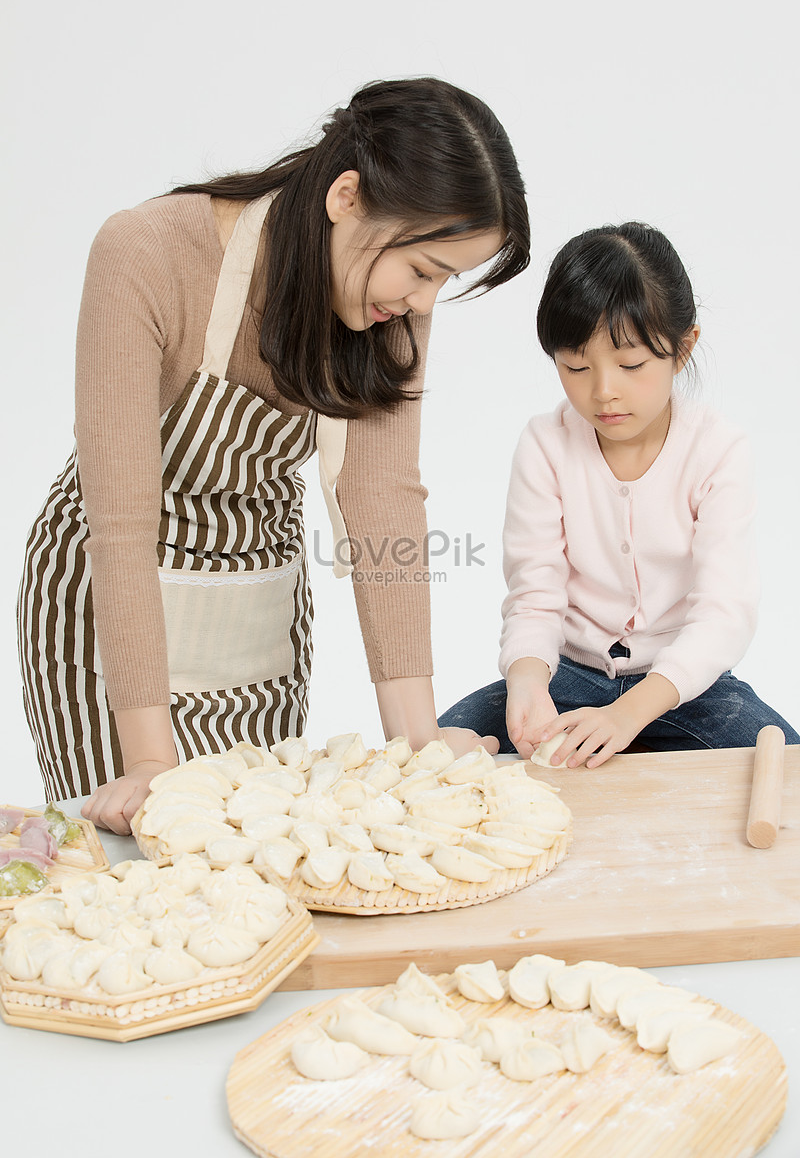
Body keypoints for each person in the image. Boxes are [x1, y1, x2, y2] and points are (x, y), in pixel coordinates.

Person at [18, 77, 530, 832]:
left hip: (254, 618)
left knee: (258, 869)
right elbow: (121, 526)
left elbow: (382, 507)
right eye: (423, 270)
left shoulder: (387, 309)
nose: (425, 303)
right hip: (113, 634)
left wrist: (419, 745)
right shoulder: (147, 254)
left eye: (445, 281)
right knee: (151, 866)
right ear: (347, 196)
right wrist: (152, 761)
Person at [439, 222, 799, 766]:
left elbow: (724, 614)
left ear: (683, 349)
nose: (603, 390)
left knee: (786, 763)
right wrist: (527, 682)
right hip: (569, 676)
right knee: (434, 745)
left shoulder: (717, 449)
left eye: (631, 365)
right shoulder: (545, 445)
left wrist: (629, 716)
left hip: (684, 685)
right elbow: (534, 594)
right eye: (576, 366)